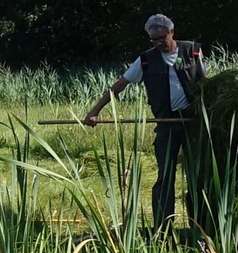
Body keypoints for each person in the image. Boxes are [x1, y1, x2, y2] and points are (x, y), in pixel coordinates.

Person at [81, 14, 206, 230]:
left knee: (197, 175)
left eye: (161, 38)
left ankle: (200, 224)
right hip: (166, 124)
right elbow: (120, 85)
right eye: (153, 39)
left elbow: (206, 84)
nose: (158, 42)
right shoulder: (147, 59)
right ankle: (163, 228)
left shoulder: (192, 51)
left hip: (193, 122)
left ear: (171, 33)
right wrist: (95, 110)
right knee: (165, 175)